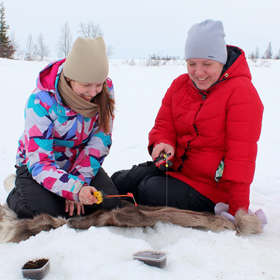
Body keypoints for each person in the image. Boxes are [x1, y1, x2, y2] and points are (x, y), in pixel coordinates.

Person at [112, 19, 264, 218]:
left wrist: (238, 212)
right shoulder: (180, 85)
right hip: (176, 171)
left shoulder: (241, 93)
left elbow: (241, 158)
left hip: (211, 188)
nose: (198, 72)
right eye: (192, 64)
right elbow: (164, 125)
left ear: (222, 60)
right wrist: (163, 143)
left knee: (149, 190)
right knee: (121, 180)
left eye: (207, 64)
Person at [6, 37, 121, 219]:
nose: (93, 93)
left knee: (108, 203)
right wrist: (73, 189)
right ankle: (16, 190)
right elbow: (39, 161)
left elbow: (101, 140)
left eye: (98, 85)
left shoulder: (105, 90)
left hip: (80, 162)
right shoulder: (40, 101)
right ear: (70, 78)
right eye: (86, 85)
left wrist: (79, 183)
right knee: (44, 212)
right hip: (38, 165)